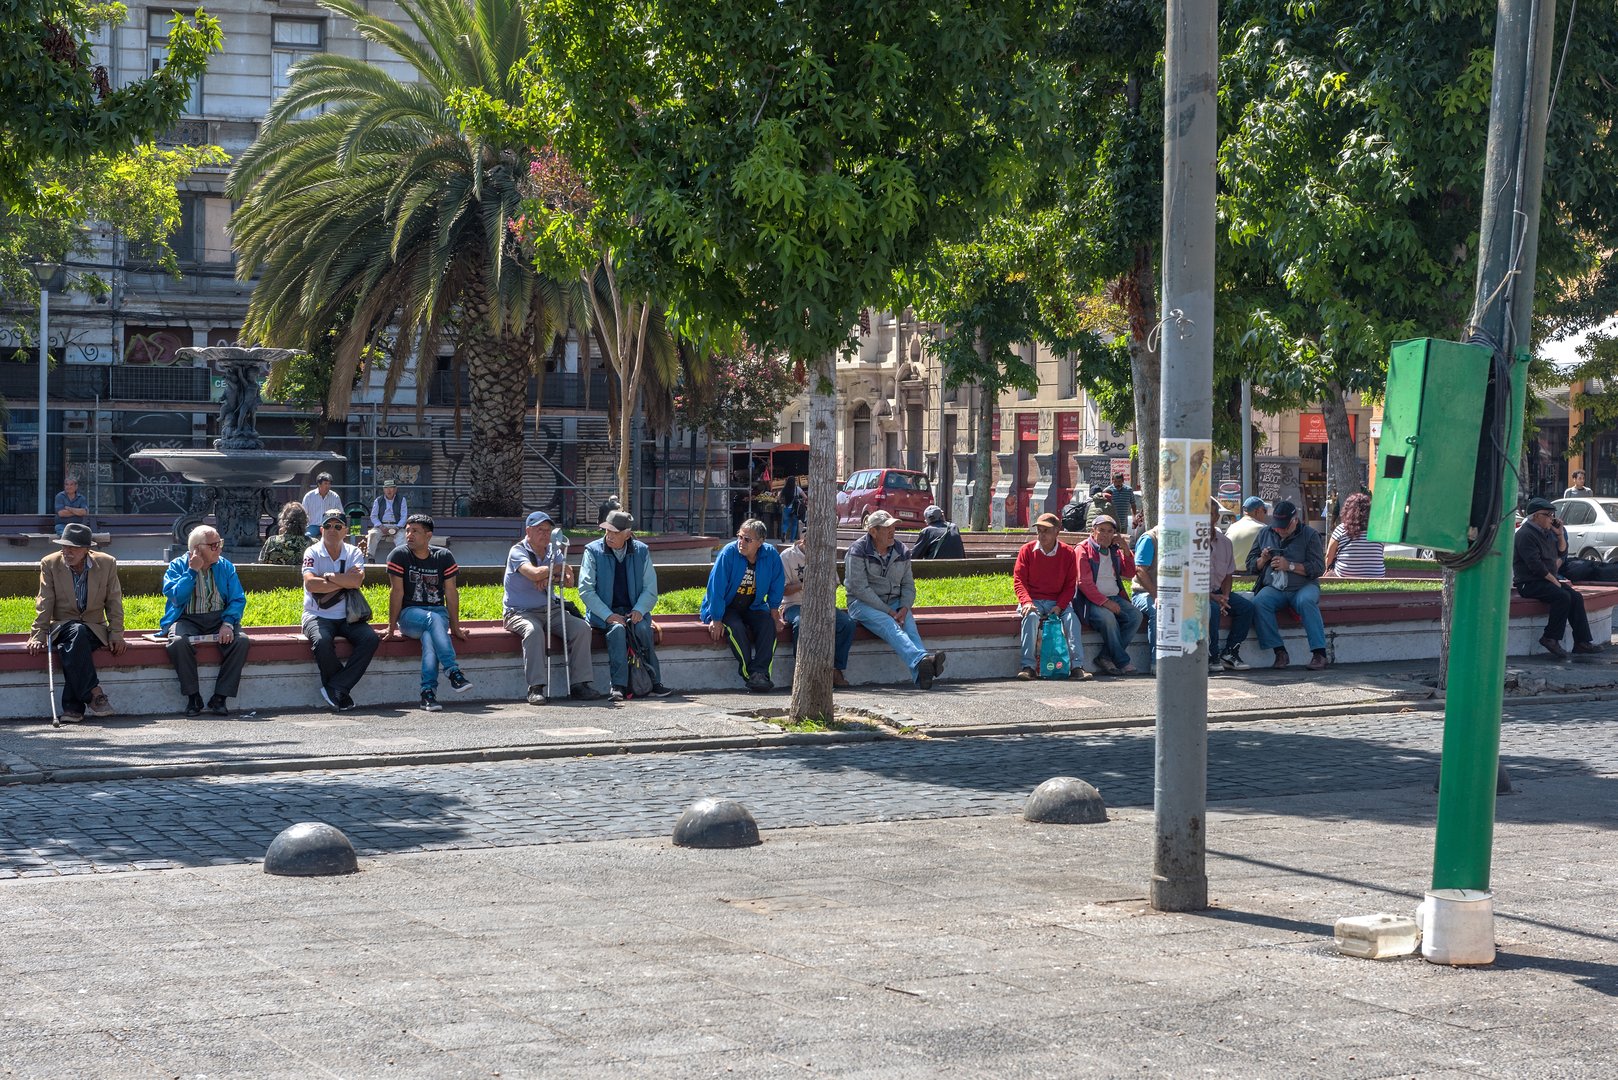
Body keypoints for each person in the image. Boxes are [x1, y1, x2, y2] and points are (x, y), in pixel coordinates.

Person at [27, 522, 125, 722]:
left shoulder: (107, 563)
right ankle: (94, 693)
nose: (66, 551)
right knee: (74, 632)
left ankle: (73, 708)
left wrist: (116, 633)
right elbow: (44, 601)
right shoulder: (50, 563)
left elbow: (114, 601)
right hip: (62, 626)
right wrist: (38, 634)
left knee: (75, 642)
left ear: (86, 549)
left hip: (94, 629)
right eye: (64, 546)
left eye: (72, 547)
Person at [504, 511, 602, 705]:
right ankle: (536, 687)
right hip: (519, 611)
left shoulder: (554, 550)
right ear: (528, 531)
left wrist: (551, 576)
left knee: (582, 629)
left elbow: (569, 581)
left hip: (550, 608)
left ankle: (579, 684)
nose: (545, 534)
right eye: (540, 530)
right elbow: (533, 573)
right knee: (533, 631)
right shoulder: (517, 551)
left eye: (548, 530)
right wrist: (554, 571)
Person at [845, 509, 945, 689]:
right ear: (873, 532)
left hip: (895, 604)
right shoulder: (858, 550)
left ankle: (922, 673)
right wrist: (889, 611)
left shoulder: (902, 551)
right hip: (862, 604)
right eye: (887, 527)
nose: (892, 531)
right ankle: (922, 659)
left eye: (894, 527)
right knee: (890, 625)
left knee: (910, 628)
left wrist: (904, 607)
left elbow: (908, 585)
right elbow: (859, 588)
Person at [579, 510, 670, 702]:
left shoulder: (641, 551)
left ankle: (655, 683)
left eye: (615, 532)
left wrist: (639, 609)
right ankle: (618, 686)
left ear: (627, 534)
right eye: (606, 531)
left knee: (643, 629)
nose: (609, 536)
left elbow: (650, 588)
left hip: (634, 610)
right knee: (617, 630)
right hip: (603, 612)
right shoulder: (592, 551)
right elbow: (586, 590)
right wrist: (608, 615)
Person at [384, 513, 471, 711]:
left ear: (428, 535)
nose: (409, 535)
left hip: (437, 614)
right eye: (407, 530)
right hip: (410, 615)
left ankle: (428, 694)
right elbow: (396, 592)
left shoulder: (444, 556)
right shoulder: (399, 555)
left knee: (430, 637)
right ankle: (452, 671)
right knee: (432, 621)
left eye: (415, 531)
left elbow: (451, 592)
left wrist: (455, 626)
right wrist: (390, 627)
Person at [160, 525, 251, 716]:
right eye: (213, 545)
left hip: (219, 617)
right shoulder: (177, 566)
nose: (219, 549)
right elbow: (176, 597)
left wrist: (227, 624)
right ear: (197, 548)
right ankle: (193, 697)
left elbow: (237, 598)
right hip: (187, 618)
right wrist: (192, 572)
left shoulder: (225, 566)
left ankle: (220, 697)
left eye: (220, 544)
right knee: (177, 643)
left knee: (241, 641)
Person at [302, 509, 379, 711]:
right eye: (327, 526)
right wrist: (343, 580)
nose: (332, 530)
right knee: (322, 641)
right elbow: (311, 585)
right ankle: (338, 690)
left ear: (345, 530)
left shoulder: (353, 552)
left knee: (370, 639)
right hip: (316, 614)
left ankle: (336, 687)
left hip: (348, 615)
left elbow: (357, 581)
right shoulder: (312, 552)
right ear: (321, 529)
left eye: (337, 526)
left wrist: (327, 577)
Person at [700, 518, 786, 691]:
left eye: (747, 539)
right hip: (727, 607)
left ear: (760, 542)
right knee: (736, 628)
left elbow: (777, 585)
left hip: (753, 605)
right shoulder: (728, 553)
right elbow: (715, 588)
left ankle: (761, 672)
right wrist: (716, 618)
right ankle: (750, 673)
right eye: (740, 537)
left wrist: (775, 614)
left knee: (768, 625)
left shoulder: (771, 556)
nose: (741, 542)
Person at [1246, 499, 1329, 670]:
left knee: (1306, 601)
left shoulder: (1310, 535)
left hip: (1303, 586)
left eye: (1284, 527)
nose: (1280, 530)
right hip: (1275, 587)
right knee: (1259, 602)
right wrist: (1263, 559)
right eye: (1277, 526)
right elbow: (1250, 564)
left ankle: (1319, 653)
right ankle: (1279, 651)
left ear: (1295, 521)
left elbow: (1318, 568)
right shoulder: (1265, 533)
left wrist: (1290, 566)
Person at [1514, 498, 1600, 658]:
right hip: (1529, 582)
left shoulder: (1546, 533)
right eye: (1548, 515)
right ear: (1535, 516)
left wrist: (1560, 535)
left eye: (1552, 514)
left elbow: (1561, 552)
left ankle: (1582, 642)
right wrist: (1555, 581)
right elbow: (1535, 566)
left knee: (1575, 596)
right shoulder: (1525, 535)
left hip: (1546, 579)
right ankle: (1550, 638)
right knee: (1562, 597)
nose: (1552, 519)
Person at [1012, 512, 1089, 681]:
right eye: (1039, 530)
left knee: (1071, 619)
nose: (1042, 535)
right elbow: (1019, 581)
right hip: (1033, 600)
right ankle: (1028, 667)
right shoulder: (1027, 551)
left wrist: (1060, 606)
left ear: (1057, 532)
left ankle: (1077, 666)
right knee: (1030, 618)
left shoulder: (1067, 553)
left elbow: (1070, 585)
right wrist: (1026, 602)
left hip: (1057, 601)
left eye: (1046, 531)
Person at [779, 525, 855, 687]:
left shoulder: (824, 554)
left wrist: (823, 587)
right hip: (793, 605)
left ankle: (835, 669)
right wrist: (806, 583)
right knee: (802, 623)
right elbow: (783, 590)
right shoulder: (787, 557)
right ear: (803, 541)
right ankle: (801, 670)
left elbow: (834, 583)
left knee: (846, 624)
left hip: (821, 604)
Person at [1076, 515, 1141, 676]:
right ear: (1093, 531)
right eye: (1101, 530)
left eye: (1109, 531)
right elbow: (1084, 583)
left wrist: (1126, 550)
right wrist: (1105, 603)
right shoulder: (1082, 549)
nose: (1105, 535)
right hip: (1090, 601)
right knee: (1108, 619)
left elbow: (1130, 573)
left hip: (1114, 596)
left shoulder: (1114, 550)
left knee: (1136, 616)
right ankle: (1122, 661)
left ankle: (1105, 657)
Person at [1208, 497, 1256, 671]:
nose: (1206, 518)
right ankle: (1212, 656)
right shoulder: (1191, 542)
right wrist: (1213, 598)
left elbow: (1229, 573)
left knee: (1247, 608)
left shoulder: (1225, 542)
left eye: (1210, 514)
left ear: (1216, 517)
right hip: (1197, 593)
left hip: (1219, 590)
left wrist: (1225, 597)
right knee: (1212, 609)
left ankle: (1230, 652)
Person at [1325, 492, 1386, 577]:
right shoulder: (1379, 530)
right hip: (1377, 574)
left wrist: (1327, 569)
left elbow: (1329, 556)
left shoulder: (1341, 529)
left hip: (1345, 574)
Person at [1131, 524, 1160, 674]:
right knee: (1159, 611)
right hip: (1142, 592)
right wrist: (1156, 595)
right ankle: (1157, 662)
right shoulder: (1150, 539)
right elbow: (1140, 570)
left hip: (1170, 593)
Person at [368, 479, 409, 559]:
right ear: (383, 489)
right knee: (372, 534)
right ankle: (370, 557)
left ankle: (401, 559)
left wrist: (397, 527)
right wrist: (381, 526)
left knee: (402, 537)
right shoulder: (378, 500)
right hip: (382, 525)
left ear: (395, 489)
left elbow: (404, 516)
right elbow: (373, 516)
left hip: (396, 526)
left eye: (391, 488)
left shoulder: (402, 500)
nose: (389, 490)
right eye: (386, 488)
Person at [1226, 497, 1268, 568]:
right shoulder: (1264, 529)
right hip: (1254, 574)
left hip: (1233, 574)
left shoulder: (1232, 527)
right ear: (1257, 511)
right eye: (1265, 511)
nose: (1265, 515)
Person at [301, 473, 343, 538]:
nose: (328, 486)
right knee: (307, 537)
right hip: (313, 526)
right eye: (325, 483)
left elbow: (341, 513)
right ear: (319, 484)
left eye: (329, 484)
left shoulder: (335, 497)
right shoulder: (309, 496)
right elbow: (303, 514)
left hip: (330, 526)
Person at [780, 475, 804, 542]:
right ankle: (792, 540)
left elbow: (780, 498)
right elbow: (805, 497)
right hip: (795, 509)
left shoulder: (784, 489)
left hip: (786, 508)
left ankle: (784, 532)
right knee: (794, 524)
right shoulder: (797, 489)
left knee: (785, 523)